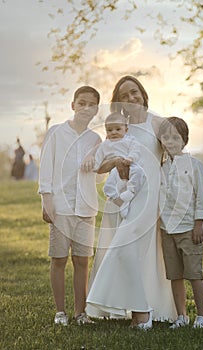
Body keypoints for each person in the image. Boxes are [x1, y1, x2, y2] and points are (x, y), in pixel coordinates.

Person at [86, 76, 177, 329]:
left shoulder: (158, 122)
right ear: (119, 103)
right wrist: (115, 162)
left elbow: (174, 155)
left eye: (134, 92)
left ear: (143, 93)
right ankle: (133, 308)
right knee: (125, 251)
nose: (131, 98)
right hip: (123, 198)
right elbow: (101, 166)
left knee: (132, 251)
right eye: (124, 96)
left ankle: (144, 311)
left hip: (150, 197)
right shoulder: (119, 126)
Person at [38, 86, 102, 326]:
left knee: (82, 261)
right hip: (61, 207)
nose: (86, 108)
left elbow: (98, 177)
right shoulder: (56, 133)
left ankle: (80, 313)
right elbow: (46, 168)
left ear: (96, 110)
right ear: (72, 105)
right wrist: (47, 200)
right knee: (58, 259)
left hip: (85, 208)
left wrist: (96, 160)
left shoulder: (95, 139)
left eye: (91, 105)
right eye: (82, 103)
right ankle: (60, 312)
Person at [158, 116, 203, 329]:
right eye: (166, 137)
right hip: (166, 229)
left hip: (189, 228)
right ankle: (182, 316)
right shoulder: (161, 167)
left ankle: (202, 317)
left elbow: (201, 196)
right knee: (175, 275)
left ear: (184, 140)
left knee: (194, 274)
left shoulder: (194, 165)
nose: (170, 141)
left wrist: (199, 223)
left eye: (175, 137)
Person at [94, 111, 145, 219]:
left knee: (139, 172)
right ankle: (118, 199)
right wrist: (96, 165)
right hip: (115, 168)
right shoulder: (105, 144)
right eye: (109, 130)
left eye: (118, 129)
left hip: (130, 164)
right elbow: (99, 155)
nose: (113, 132)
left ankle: (131, 191)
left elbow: (136, 149)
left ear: (125, 130)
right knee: (110, 183)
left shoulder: (129, 140)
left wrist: (130, 158)